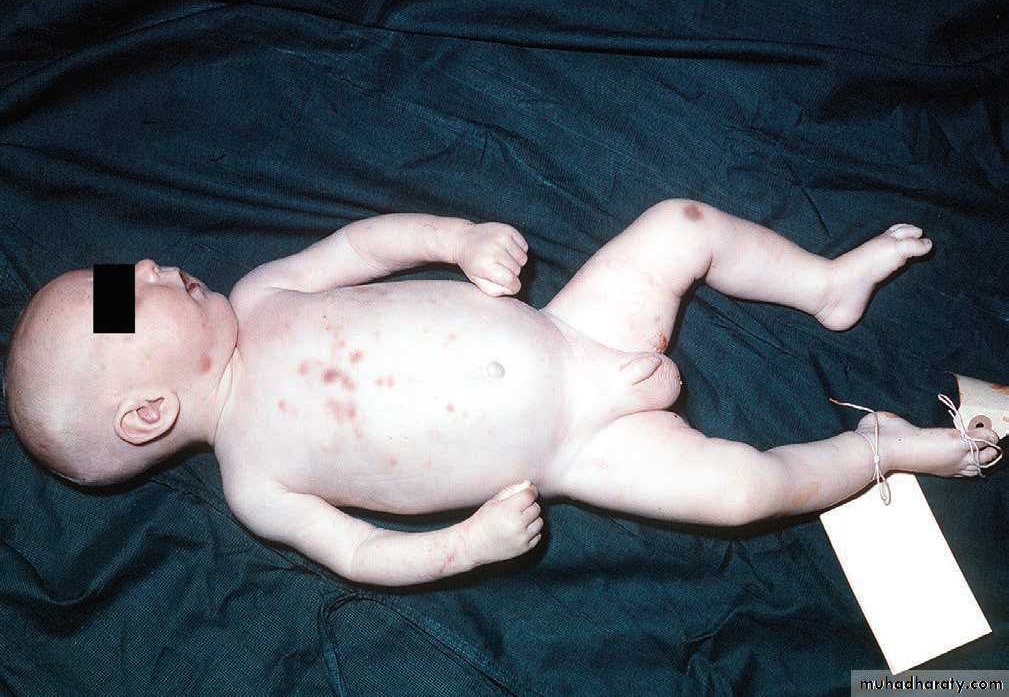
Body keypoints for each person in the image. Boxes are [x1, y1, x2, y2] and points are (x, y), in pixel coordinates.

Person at [5, 200, 1001, 587]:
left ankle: (822, 283)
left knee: (680, 224)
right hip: (578, 450)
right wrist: (467, 543)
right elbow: (359, 554)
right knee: (742, 491)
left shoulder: (265, 292)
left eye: (121, 269)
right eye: (123, 298)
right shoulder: (255, 481)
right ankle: (887, 447)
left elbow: (361, 245)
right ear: (146, 412)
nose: (145, 266)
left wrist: (456, 240)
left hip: (575, 328)